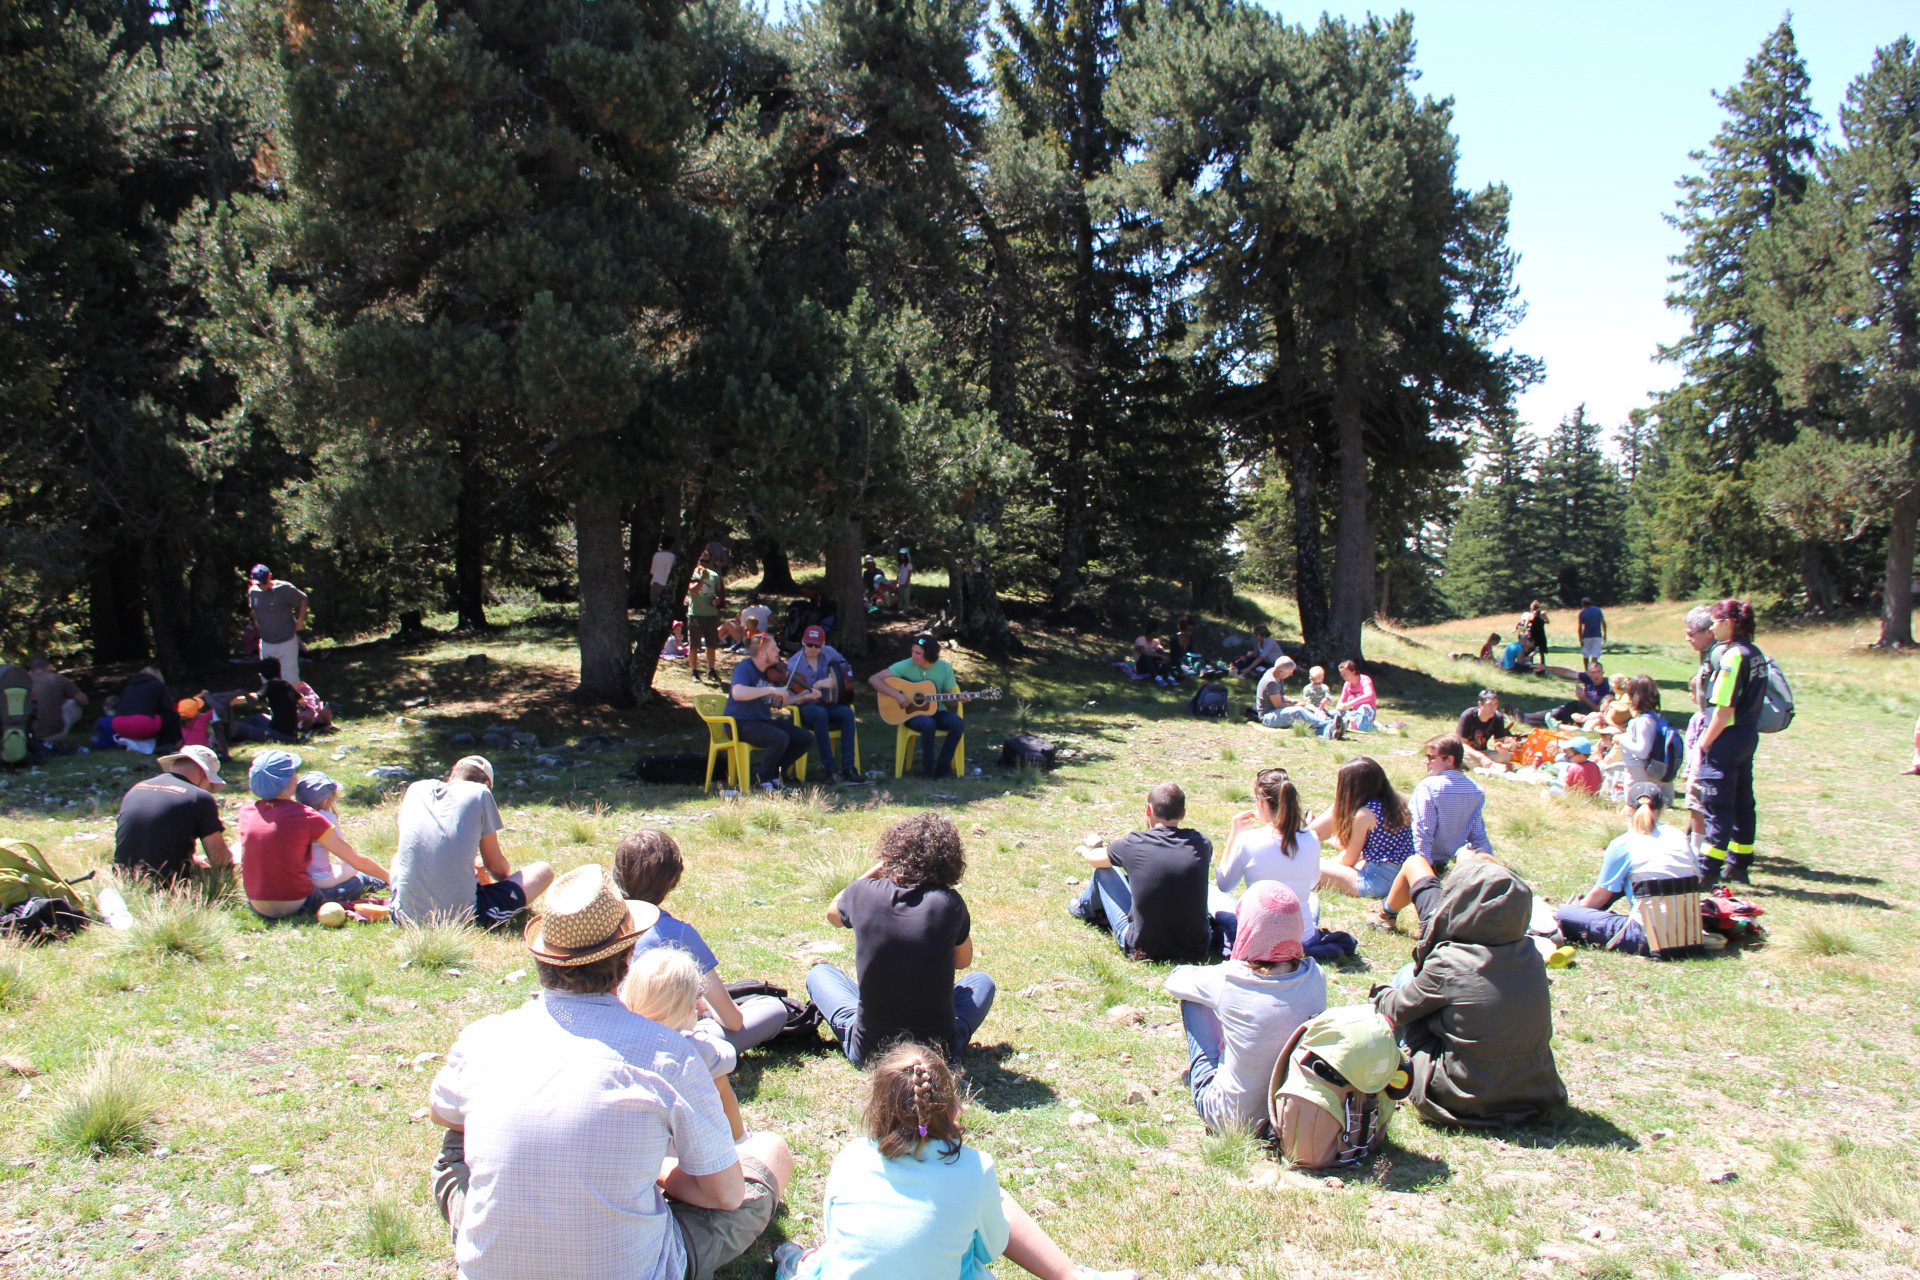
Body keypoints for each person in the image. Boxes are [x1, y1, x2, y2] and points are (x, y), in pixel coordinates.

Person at [427, 864, 795, 1280]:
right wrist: (656, 1174)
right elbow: (726, 1195)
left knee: (456, 1139)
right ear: (627, 958)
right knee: (770, 1152)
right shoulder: (670, 1056)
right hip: (634, 1267)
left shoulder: (485, 1039)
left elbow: (444, 1116)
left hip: (492, 1271)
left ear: (544, 957)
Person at [772, 1045, 1136, 1280]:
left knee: (821, 1262)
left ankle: (794, 1263)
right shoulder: (974, 1169)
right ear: (954, 1106)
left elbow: (836, 1232)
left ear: (874, 1108)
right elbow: (991, 1248)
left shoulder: (850, 1157)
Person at [1372, 859, 1566, 1128]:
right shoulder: (1531, 955)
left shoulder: (1449, 960)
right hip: (1533, 1092)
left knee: (1406, 976)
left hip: (1462, 1097)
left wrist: (1379, 993)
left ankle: (1383, 1066)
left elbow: (1395, 1009)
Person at [806, 813, 994, 1068]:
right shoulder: (949, 903)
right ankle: (955, 1034)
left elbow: (833, 914)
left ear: (892, 852)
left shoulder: (862, 893)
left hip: (871, 1052)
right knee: (981, 982)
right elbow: (963, 962)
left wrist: (879, 868)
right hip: (936, 1054)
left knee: (820, 973)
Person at [1165, 882, 1327, 1132]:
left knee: (1193, 997)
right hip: (1287, 1114)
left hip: (1230, 1118)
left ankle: (1213, 1073)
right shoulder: (1316, 975)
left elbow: (1175, 981)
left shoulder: (1229, 979)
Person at [615, 828, 791, 1053]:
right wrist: (706, 1007)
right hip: (660, 1046)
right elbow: (733, 1022)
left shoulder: (596, 923)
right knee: (773, 1009)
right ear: (672, 880)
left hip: (608, 1035)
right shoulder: (677, 933)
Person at [1069, 782, 1230, 962]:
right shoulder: (1201, 843)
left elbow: (1095, 860)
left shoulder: (1134, 844)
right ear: (1183, 813)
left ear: (1148, 809)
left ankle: (1082, 908)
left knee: (1104, 873)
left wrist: (1087, 852)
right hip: (1196, 948)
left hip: (1142, 948)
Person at [391, 756, 555, 928]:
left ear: (451, 776)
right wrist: (509, 887)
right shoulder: (479, 793)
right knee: (544, 871)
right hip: (460, 919)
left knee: (397, 859)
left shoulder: (416, 789)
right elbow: (495, 866)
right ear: (485, 782)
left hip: (404, 916)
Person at [238, 749, 387, 920]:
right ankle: (389, 882)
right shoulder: (306, 816)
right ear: (290, 782)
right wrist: (390, 877)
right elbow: (355, 860)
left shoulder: (246, 812)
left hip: (258, 906)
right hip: (299, 903)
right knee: (359, 880)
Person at [1555, 783, 1700, 956]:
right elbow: (1696, 876)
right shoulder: (1679, 837)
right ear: (1661, 808)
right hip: (1689, 937)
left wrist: (1576, 912)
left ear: (1628, 808)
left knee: (1564, 913)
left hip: (1648, 940)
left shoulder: (1625, 843)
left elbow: (1599, 896)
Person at [624, 946, 747, 1141]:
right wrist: (739, 1140)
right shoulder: (700, 1052)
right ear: (690, 1007)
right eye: (698, 994)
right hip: (685, 1156)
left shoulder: (617, 1046)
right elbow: (726, 1065)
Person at [1695, 598, 1765, 886]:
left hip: (1727, 737)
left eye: (1714, 621)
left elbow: (1723, 711)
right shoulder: (1756, 652)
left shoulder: (1733, 656)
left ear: (1727, 622)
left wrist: (1703, 743)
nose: (1711, 627)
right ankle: (1739, 865)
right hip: (1748, 735)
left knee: (1717, 805)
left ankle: (1707, 871)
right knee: (1742, 803)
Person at [113, 745, 232, 885]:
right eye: (209, 783)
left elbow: (150, 841)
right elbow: (218, 858)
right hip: (167, 885)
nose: (207, 787)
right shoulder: (198, 797)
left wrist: (192, 860)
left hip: (122, 882)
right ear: (202, 772)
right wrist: (231, 862)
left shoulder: (137, 788)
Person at [1310, 758, 1416, 912]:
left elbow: (1349, 859)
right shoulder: (1398, 804)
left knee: (1313, 866)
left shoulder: (1365, 814)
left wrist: (1332, 864)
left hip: (1375, 882)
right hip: (1399, 880)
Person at [1216, 768, 1322, 915]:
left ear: (1262, 804)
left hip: (1260, 933)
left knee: (1213, 895)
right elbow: (1312, 882)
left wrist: (1234, 834)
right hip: (1303, 936)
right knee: (1313, 900)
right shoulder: (1312, 838)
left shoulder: (1248, 840)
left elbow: (1225, 885)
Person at [869, 635, 971, 780]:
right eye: (913, 651)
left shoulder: (944, 668)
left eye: (918, 654)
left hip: (938, 711)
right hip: (912, 714)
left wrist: (958, 698)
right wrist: (897, 695)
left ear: (929, 655)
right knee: (927, 724)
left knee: (957, 723)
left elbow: (950, 702)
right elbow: (874, 679)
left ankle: (943, 768)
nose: (913, 656)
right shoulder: (907, 664)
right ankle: (928, 771)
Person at [728, 633, 814, 792]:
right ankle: (761, 780)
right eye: (774, 648)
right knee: (779, 737)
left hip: (761, 721)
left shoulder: (769, 672)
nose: (778, 650)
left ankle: (773, 775)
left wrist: (802, 696)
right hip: (740, 723)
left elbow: (776, 703)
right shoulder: (745, 667)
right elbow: (738, 693)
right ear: (762, 653)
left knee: (805, 738)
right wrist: (770, 689)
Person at [787, 625, 862, 784]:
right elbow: (794, 699)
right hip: (805, 706)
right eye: (809, 645)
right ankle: (830, 768)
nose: (813, 649)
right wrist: (817, 685)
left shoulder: (829, 652)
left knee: (847, 713)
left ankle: (849, 767)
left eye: (817, 645)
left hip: (827, 703)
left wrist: (836, 679)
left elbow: (846, 669)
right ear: (802, 642)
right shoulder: (794, 665)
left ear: (823, 644)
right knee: (820, 714)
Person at [293, 771, 382, 896]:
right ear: (325, 801)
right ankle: (379, 881)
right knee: (353, 868)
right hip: (320, 879)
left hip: (303, 876)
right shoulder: (325, 818)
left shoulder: (293, 816)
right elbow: (345, 857)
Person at [1680, 605, 1719, 859]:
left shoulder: (1719, 657)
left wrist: (1703, 743)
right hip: (1713, 731)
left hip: (1713, 733)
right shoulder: (1710, 654)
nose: (1687, 638)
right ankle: (1698, 839)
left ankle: (1698, 851)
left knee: (1698, 794)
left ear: (1709, 632)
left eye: (1692, 633)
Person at [1615, 675, 1677, 803]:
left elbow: (1643, 751)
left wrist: (1621, 740)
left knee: (1634, 807)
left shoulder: (1645, 721)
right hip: (1646, 772)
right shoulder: (1656, 717)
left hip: (1639, 774)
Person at [247, 564, 309, 687]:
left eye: (263, 582)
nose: (261, 586)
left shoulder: (284, 588)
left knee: (290, 677)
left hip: (287, 640)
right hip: (267, 642)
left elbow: (303, 599)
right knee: (267, 678)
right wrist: (256, 622)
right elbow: (253, 608)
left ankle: (295, 703)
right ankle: (274, 704)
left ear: (270, 576)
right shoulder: (253, 592)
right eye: (258, 583)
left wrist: (300, 620)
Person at [1246, 657, 1333, 734]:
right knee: (1298, 711)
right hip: (1269, 717)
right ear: (1280, 672)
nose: (1291, 675)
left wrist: (1291, 700)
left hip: (1277, 712)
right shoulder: (1271, 682)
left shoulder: (1277, 675)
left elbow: (1278, 696)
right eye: (1289, 673)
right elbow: (1279, 706)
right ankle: (1328, 724)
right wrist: (1295, 705)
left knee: (1306, 710)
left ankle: (1326, 727)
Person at [25, 656, 86, 742]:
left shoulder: (23, 683)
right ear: (48, 667)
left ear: (31, 670)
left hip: (30, 734)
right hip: (55, 732)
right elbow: (84, 701)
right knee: (73, 703)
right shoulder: (59, 679)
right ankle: (60, 734)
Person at [686, 549, 726, 681]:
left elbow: (718, 592)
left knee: (711, 645)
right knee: (694, 645)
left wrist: (717, 600)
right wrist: (702, 578)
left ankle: (711, 670)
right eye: (702, 561)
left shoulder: (714, 575)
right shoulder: (692, 573)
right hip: (696, 614)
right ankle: (694, 672)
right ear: (698, 560)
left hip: (711, 614)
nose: (704, 564)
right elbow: (693, 590)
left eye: (707, 561)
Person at [1456, 690, 1515, 771]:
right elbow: (1462, 744)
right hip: (1467, 752)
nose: (1493, 708)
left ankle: (1482, 767)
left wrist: (1501, 748)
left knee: (1505, 756)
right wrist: (1482, 758)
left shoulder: (1498, 717)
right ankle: (1492, 767)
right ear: (1480, 704)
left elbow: (1499, 742)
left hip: (1482, 751)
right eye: (1489, 705)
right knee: (1462, 755)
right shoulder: (1468, 715)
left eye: (1495, 705)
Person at [1330, 659, 1377, 732]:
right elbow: (1342, 700)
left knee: (1364, 707)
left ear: (1354, 671)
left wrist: (1349, 703)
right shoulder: (1347, 684)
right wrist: (1339, 706)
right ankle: (1343, 723)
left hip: (1365, 713)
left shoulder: (1365, 680)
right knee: (1332, 713)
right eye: (1342, 675)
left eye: (1346, 674)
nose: (1344, 677)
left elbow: (1369, 695)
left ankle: (1351, 724)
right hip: (1353, 712)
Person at [649, 535, 678, 605]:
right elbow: (669, 572)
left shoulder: (656, 555)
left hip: (654, 585)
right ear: (672, 545)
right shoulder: (671, 556)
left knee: (654, 608)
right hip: (664, 586)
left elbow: (652, 571)